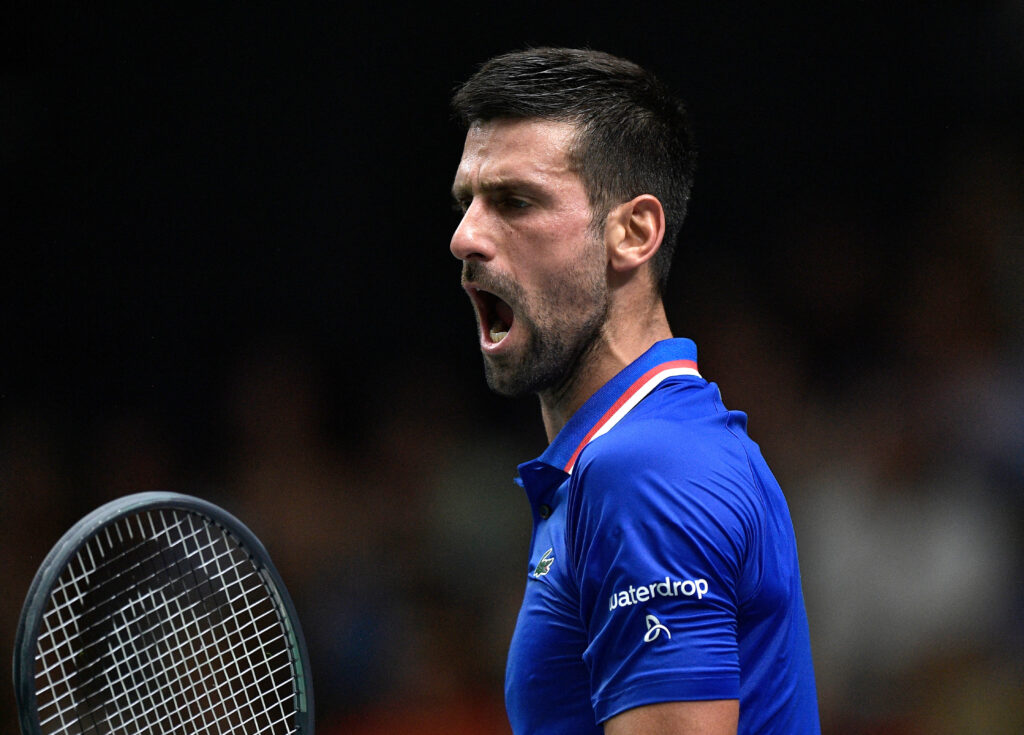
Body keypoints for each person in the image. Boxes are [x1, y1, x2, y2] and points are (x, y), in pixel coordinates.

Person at [448, 48, 820, 735]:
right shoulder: (640, 453)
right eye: (467, 203)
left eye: (514, 201)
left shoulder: (647, 469)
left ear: (634, 232)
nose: (464, 237)